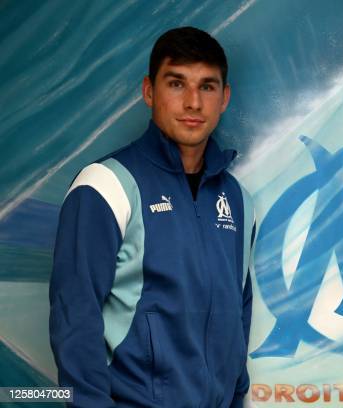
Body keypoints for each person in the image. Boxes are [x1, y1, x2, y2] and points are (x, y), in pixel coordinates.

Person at [49, 27, 255, 407]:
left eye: (207, 87)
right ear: (149, 92)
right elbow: (74, 319)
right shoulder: (106, 185)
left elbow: (238, 315)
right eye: (177, 84)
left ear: (224, 98)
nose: (193, 102)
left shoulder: (238, 200)